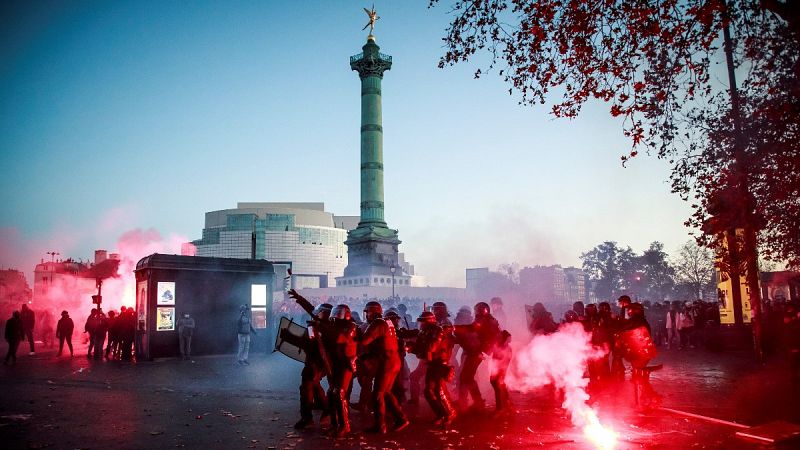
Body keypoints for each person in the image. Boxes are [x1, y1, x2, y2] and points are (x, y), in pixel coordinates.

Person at [359, 301, 409, 434]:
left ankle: (381, 425)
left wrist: (354, 333)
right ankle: (401, 419)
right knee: (385, 392)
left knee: (378, 393)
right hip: (392, 361)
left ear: (373, 311)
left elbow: (365, 340)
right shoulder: (387, 322)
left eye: (368, 312)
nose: (366, 315)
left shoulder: (378, 323)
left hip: (387, 362)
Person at [286, 289, 333, 430]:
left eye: (318, 313)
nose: (314, 314)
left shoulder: (322, 328)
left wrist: (289, 337)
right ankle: (326, 409)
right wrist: (298, 298)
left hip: (316, 363)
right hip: (316, 363)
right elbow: (311, 308)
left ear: (323, 315)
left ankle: (307, 418)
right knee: (315, 385)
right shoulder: (322, 324)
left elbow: (309, 345)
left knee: (306, 387)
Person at [413, 311, 457, 426]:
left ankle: (450, 413)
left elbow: (431, 348)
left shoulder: (437, 331)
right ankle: (441, 414)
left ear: (428, 322)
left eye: (423, 322)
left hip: (440, 363)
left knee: (439, 390)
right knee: (428, 391)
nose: (421, 324)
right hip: (432, 363)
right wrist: (413, 348)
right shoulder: (424, 332)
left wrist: (419, 349)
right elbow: (420, 349)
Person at [325, 304, 358, 438]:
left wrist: (324, 329)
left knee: (339, 393)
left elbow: (340, 338)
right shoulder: (335, 327)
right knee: (331, 393)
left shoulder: (350, 327)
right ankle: (335, 424)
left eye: (338, 313)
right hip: (337, 363)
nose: (335, 316)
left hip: (347, 363)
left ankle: (345, 426)